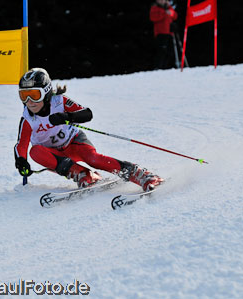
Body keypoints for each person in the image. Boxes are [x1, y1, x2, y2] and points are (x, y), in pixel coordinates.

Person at [14, 68, 163, 191]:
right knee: (35, 152)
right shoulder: (27, 119)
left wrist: (66, 116)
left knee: (93, 159)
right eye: (24, 96)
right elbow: (21, 145)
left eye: (34, 95)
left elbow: (87, 113)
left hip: (74, 143)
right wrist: (21, 162)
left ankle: (141, 175)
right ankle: (84, 175)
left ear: (46, 92)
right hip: (56, 156)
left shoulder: (59, 101)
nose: (29, 102)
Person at [150, 0, 178, 69]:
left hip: (169, 33)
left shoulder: (168, 8)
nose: (163, 1)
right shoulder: (155, 8)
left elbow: (174, 16)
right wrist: (165, 12)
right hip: (160, 33)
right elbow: (153, 18)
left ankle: (167, 66)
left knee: (170, 51)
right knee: (161, 51)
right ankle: (159, 67)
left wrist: (169, 10)